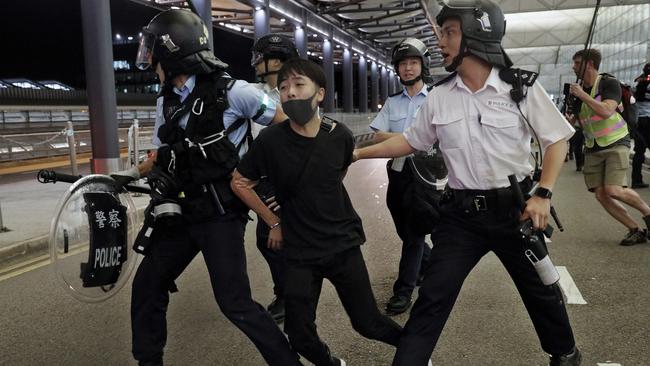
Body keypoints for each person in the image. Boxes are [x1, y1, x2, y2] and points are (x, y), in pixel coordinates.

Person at [353, 1, 581, 365]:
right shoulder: (440, 96)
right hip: (461, 218)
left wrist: (544, 193)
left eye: (449, 32)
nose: (440, 41)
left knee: (541, 290)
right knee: (432, 296)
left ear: (477, 33)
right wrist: (355, 154)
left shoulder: (519, 88)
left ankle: (565, 354)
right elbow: (411, 141)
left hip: (515, 213)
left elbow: (556, 140)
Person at [115, 9, 302, 366]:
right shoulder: (165, 101)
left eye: (153, 51)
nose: (149, 60)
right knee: (147, 286)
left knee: (236, 303)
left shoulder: (236, 93)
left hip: (220, 216)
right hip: (180, 212)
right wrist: (128, 174)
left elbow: (287, 126)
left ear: (172, 53)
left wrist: (279, 180)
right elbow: (160, 152)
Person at [231, 58, 404, 366]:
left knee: (367, 323)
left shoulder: (339, 135)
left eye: (299, 85)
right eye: (283, 88)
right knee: (299, 335)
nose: (291, 93)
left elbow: (330, 177)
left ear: (320, 93)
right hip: (298, 252)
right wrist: (272, 221)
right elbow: (240, 182)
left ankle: (414, 351)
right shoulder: (269, 141)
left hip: (342, 246)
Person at [368, 37, 442, 315]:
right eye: (403, 64)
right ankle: (431, 262)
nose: (408, 68)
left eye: (413, 63)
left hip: (427, 177)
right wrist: (412, 138)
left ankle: (404, 290)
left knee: (413, 234)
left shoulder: (437, 98)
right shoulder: (393, 102)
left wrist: (410, 139)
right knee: (404, 231)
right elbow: (377, 134)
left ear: (423, 66)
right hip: (398, 174)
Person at [567, 50, 650, 246]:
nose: (573, 67)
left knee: (614, 189)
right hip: (593, 147)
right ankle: (634, 229)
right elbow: (574, 121)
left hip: (615, 142)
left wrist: (581, 95)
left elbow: (606, 111)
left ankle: (648, 213)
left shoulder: (608, 83)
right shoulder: (577, 90)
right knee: (601, 194)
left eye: (577, 63)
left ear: (589, 64)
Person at [249, 33, 299, 323]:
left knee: (273, 238)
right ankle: (290, 293)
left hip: (284, 177)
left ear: (277, 60)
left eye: (260, 58)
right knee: (271, 238)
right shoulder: (257, 92)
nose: (255, 63)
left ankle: (290, 297)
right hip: (261, 177)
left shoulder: (293, 93)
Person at [631, 62, 650, 187]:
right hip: (648, 119)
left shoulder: (638, 82)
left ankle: (636, 180)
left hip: (638, 120)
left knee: (639, 151)